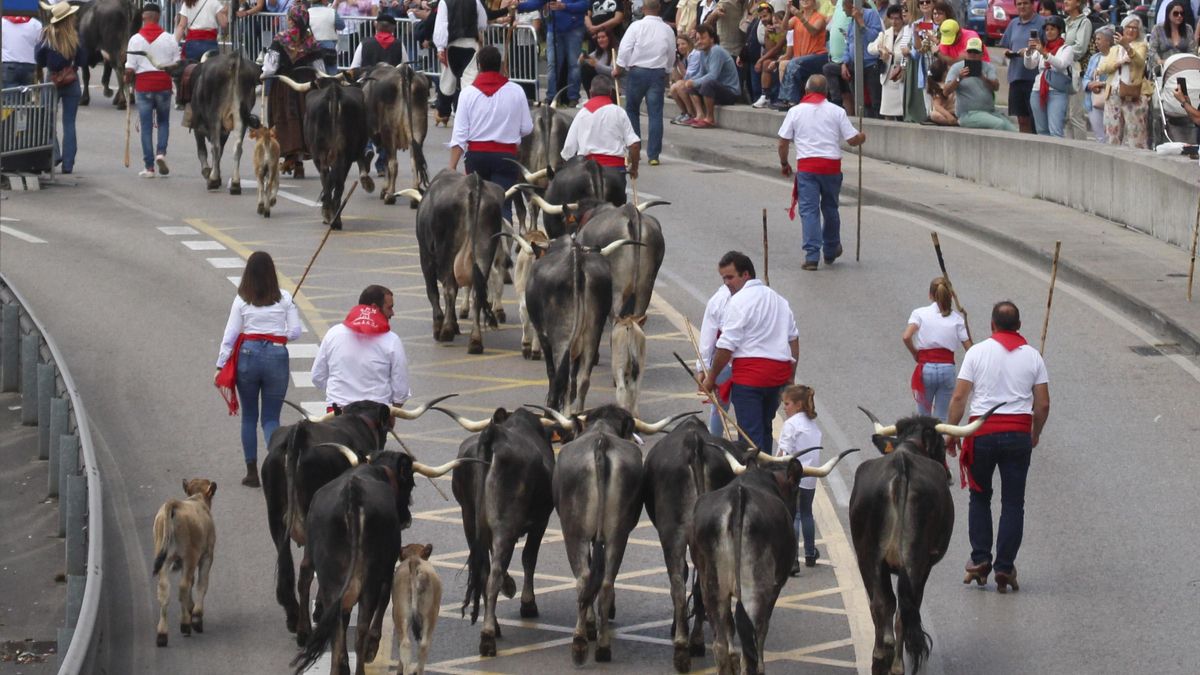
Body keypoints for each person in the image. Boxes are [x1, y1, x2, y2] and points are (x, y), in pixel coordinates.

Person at [947, 301, 1050, 594]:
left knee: (980, 498)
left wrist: (952, 435)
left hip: (981, 434)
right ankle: (1005, 567)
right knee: (1013, 503)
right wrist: (1035, 432)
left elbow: (958, 398)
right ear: (1018, 326)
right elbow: (1042, 404)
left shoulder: (976, 352)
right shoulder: (1033, 357)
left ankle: (980, 560)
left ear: (992, 325)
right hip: (1017, 435)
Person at [214, 252, 302, 488]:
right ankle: (277, 466)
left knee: (249, 416)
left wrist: (221, 364)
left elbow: (230, 335)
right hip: (276, 355)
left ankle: (252, 472)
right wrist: (276, 333)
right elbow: (295, 332)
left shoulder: (241, 299)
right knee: (271, 418)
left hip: (247, 356)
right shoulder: (284, 298)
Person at [698, 251, 798, 455]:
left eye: (730, 277)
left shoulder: (739, 301)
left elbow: (726, 346)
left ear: (746, 275)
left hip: (750, 378)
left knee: (750, 438)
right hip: (777, 376)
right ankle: (767, 473)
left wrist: (711, 378)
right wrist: (791, 376)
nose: (726, 283)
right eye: (723, 278)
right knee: (765, 427)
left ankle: (756, 478)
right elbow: (793, 339)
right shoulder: (779, 300)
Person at [777, 75, 866, 271]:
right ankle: (831, 248)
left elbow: (783, 142)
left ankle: (811, 256)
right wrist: (862, 137)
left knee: (809, 211)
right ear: (826, 93)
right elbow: (852, 140)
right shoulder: (837, 111)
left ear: (806, 91)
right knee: (830, 208)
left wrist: (784, 163)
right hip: (831, 167)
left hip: (808, 168)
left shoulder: (795, 111)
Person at [448, 45, 534, 223]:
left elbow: (460, 136)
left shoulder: (467, 94)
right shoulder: (516, 91)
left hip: (476, 158)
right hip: (506, 158)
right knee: (503, 205)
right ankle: (503, 246)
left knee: (477, 205)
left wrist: (451, 167)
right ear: (501, 66)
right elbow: (527, 128)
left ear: (478, 66)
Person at [311, 285, 412, 411]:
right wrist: (391, 414)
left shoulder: (333, 333)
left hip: (335, 416)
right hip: (374, 417)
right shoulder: (392, 340)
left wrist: (341, 391)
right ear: (375, 307)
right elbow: (401, 391)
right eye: (389, 308)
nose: (392, 313)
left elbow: (317, 377)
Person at [262, 4, 327, 179]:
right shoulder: (311, 41)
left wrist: (263, 74)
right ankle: (297, 163)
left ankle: (287, 158)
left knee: (283, 119)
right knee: (303, 120)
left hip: (284, 85)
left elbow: (270, 67)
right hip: (306, 87)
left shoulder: (280, 39)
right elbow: (319, 68)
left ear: (291, 19)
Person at [902, 277, 971, 421]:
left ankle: (923, 442)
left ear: (930, 295)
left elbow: (906, 337)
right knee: (942, 417)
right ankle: (939, 442)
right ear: (951, 296)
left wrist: (916, 354)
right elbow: (970, 350)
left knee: (922, 417)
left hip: (925, 367)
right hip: (947, 369)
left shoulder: (919, 313)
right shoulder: (957, 319)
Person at [616, 0, 676, 163]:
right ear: (659, 8)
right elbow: (672, 52)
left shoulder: (636, 27)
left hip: (637, 71)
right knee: (655, 113)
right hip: (657, 72)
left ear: (643, 9)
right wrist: (669, 70)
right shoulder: (667, 29)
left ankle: (634, 149)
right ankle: (654, 155)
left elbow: (625, 48)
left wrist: (619, 67)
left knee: (632, 110)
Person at [561, 74, 641, 195]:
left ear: (590, 93)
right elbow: (634, 145)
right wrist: (634, 169)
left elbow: (568, 151)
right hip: (616, 172)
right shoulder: (619, 112)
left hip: (587, 172)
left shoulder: (582, 114)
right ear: (610, 93)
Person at [125, 3, 179, 179]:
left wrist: (127, 79)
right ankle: (161, 153)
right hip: (163, 84)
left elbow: (130, 68)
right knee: (163, 122)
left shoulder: (135, 39)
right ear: (159, 17)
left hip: (144, 85)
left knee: (146, 127)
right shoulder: (169, 38)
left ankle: (149, 167)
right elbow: (176, 63)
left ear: (143, 17)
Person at [36, 3, 87, 175]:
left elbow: (39, 59)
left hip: (52, 81)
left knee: (47, 121)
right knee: (69, 123)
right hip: (71, 81)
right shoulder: (75, 37)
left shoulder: (46, 36)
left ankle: (55, 154)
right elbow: (82, 59)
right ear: (69, 18)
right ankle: (68, 164)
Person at [776, 384, 821, 575]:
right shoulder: (813, 425)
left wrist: (773, 464)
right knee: (807, 514)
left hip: (793, 476)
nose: (784, 408)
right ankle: (810, 554)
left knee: (793, 515)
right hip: (810, 475)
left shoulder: (792, 424)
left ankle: (792, 558)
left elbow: (783, 451)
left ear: (798, 404)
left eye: (787, 404)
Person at [516, 0, 589, 107]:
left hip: (574, 29)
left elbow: (585, 4)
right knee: (552, 64)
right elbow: (536, 2)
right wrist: (518, 6)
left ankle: (573, 97)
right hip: (554, 29)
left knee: (574, 64)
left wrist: (564, 6)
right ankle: (551, 97)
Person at [1097, 14, 1150, 148]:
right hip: (1113, 93)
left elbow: (1140, 62)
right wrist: (1119, 63)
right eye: (1128, 27)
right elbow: (1103, 67)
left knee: (1136, 136)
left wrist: (1127, 47)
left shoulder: (1141, 46)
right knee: (1112, 135)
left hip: (1134, 93)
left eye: (1135, 28)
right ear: (1123, 28)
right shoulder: (1114, 48)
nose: (1131, 30)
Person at [676, 24, 740, 128]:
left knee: (707, 83)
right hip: (716, 88)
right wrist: (690, 81)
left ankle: (710, 119)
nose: (700, 41)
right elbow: (702, 73)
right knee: (691, 85)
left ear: (712, 39)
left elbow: (713, 75)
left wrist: (695, 82)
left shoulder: (716, 50)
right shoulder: (702, 52)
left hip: (730, 92)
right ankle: (699, 115)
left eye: (703, 38)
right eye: (697, 39)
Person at [434, 0, 488, 122]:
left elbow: (441, 25)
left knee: (448, 80)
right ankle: (467, 114)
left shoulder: (444, 2)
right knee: (469, 81)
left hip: (452, 45)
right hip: (471, 45)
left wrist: (440, 47)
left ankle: (443, 112)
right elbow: (482, 23)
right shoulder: (475, 2)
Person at [944, 37, 1015, 130]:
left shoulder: (988, 67)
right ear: (966, 53)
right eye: (970, 52)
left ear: (982, 54)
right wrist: (959, 78)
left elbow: (996, 87)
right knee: (999, 124)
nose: (973, 55)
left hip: (990, 112)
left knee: (1013, 130)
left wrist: (983, 78)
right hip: (968, 114)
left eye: (976, 52)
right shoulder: (957, 68)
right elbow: (946, 91)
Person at [1024, 14, 1076, 137]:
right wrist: (1029, 52)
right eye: (1047, 29)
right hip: (1037, 90)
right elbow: (1030, 65)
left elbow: (1061, 64)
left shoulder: (1066, 49)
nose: (1049, 32)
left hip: (1056, 91)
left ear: (1059, 31)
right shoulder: (1042, 48)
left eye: (1052, 29)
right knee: (1041, 130)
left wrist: (1045, 54)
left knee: (1055, 131)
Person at [829, 0, 882, 117]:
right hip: (854, 64)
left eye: (844, 6)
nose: (843, 9)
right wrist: (844, 62)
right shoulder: (851, 22)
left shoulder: (871, 14)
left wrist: (861, 23)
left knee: (875, 100)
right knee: (859, 100)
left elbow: (876, 37)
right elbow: (848, 43)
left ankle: (878, 123)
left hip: (870, 64)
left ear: (851, 5)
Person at [999, 0, 1044, 133]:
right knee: (1022, 119)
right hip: (1016, 76)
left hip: (1035, 78)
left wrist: (1031, 51)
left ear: (1032, 5)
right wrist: (1008, 53)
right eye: (1019, 4)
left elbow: (1049, 49)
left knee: (1036, 119)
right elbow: (1007, 45)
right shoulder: (1013, 24)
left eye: (1025, 3)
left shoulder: (1042, 23)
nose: (1022, 7)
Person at [775, 0, 829, 109]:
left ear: (814, 3)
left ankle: (791, 100)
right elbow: (783, 28)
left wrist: (801, 17)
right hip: (802, 58)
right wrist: (787, 11)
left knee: (794, 63)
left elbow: (813, 31)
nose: (804, 0)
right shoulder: (796, 18)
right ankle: (786, 99)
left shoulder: (820, 17)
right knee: (785, 64)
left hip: (818, 56)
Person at [697, 282, 732, 436]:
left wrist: (702, 367)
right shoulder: (761, 297)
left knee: (719, 407)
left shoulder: (718, 299)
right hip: (744, 361)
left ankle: (714, 443)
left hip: (724, 361)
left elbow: (707, 338)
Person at [867, 4, 906, 119]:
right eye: (892, 18)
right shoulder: (885, 33)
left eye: (897, 18)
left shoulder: (907, 32)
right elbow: (870, 48)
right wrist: (880, 49)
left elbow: (908, 54)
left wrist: (893, 55)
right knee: (887, 113)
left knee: (902, 113)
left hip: (900, 75)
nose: (894, 21)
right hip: (887, 76)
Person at [1061, 0, 1092, 140]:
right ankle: (1068, 150)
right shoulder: (1065, 22)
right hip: (1062, 71)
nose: (1065, 1)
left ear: (1078, 2)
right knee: (1066, 115)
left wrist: (1060, 52)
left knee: (1075, 115)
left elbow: (1080, 49)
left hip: (1076, 72)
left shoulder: (1084, 22)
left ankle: (1081, 150)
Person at [1081, 25, 1114, 143]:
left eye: (1099, 39)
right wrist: (1090, 84)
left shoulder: (1116, 56)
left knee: (1112, 135)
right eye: (1096, 39)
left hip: (1111, 99)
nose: (1096, 42)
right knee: (1100, 136)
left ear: (1108, 41)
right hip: (1094, 101)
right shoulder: (1094, 58)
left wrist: (1101, 84)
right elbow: (1085, 77)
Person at [3, 13, 43, 88]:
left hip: (8, 64)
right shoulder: (36, 24)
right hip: (29, 65)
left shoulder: (3, 22)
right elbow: (40, 46)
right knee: (25, 97)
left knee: (9, 96)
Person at [308, 0, 346, 73]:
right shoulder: (331, 12)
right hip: (329, 47)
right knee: (331, 73)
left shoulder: (307, 13)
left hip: (312, 47)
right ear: (323, 1)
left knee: (313, 73)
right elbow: (341, 26)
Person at [580, 28, 615, 94]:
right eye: (598, 38)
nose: (600, 40)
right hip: (600, 84)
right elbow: (587, 60)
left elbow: (613, 71)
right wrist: (582, 60)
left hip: (613, 87)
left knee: (587, 68)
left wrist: (596, 65)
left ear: (609, 38)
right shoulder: (598, 52)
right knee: (585, 68)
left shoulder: (615, 51)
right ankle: (591, 97)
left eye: (603, 37)